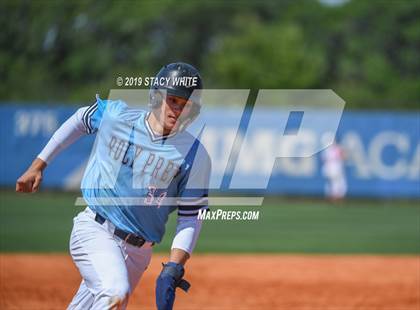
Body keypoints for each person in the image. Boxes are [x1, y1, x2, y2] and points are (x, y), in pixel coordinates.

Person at [15, 62, 211, 310]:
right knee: (114, 292)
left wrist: (174, 265)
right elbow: (81, 119)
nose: (177, 110)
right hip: (97, 230)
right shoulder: (119, 117)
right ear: (156, 96)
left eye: (186, 105)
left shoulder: (195, 155)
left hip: (139, 254)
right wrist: (38, 165)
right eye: (173, 100)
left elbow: (191, 216)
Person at [321, 136, 347, 201]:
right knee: (336, 183)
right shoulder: (334, 149)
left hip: (333, 168)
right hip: (334, 168)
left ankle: (334, 196)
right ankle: (335, 197)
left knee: (334, 183)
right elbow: (343, 157)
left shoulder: (327, 150)